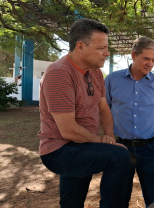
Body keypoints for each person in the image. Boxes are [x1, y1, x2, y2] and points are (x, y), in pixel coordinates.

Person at [38, 19, 130, 208]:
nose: (107, 53)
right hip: (60, 150)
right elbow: (68, 131)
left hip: (83, 145)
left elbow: (104, 109)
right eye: (101, 48)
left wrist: (109, 137)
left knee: (72, 202)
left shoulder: (95, 72)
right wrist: (102, 142)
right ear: (80, 46)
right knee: (121, 157)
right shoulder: (59, 73)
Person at [105, 37, 154, 207]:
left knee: (151, 198)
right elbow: (104, 109)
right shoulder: (112, 80)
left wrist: (148, 129)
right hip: (121, 148)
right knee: (119, 196)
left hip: (150, 148)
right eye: (146, 58)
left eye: (153, 60)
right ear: (134, 55)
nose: (150, 64)